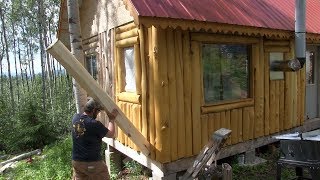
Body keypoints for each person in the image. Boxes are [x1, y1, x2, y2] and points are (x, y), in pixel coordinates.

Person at [71, 97, 118, 180]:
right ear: (93, 110)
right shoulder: (94, 124)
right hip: (92, 163)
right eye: (98, 111)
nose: (98, 113)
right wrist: (111, 119)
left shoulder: (75, 118)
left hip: (77, 162)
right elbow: (110, 134)